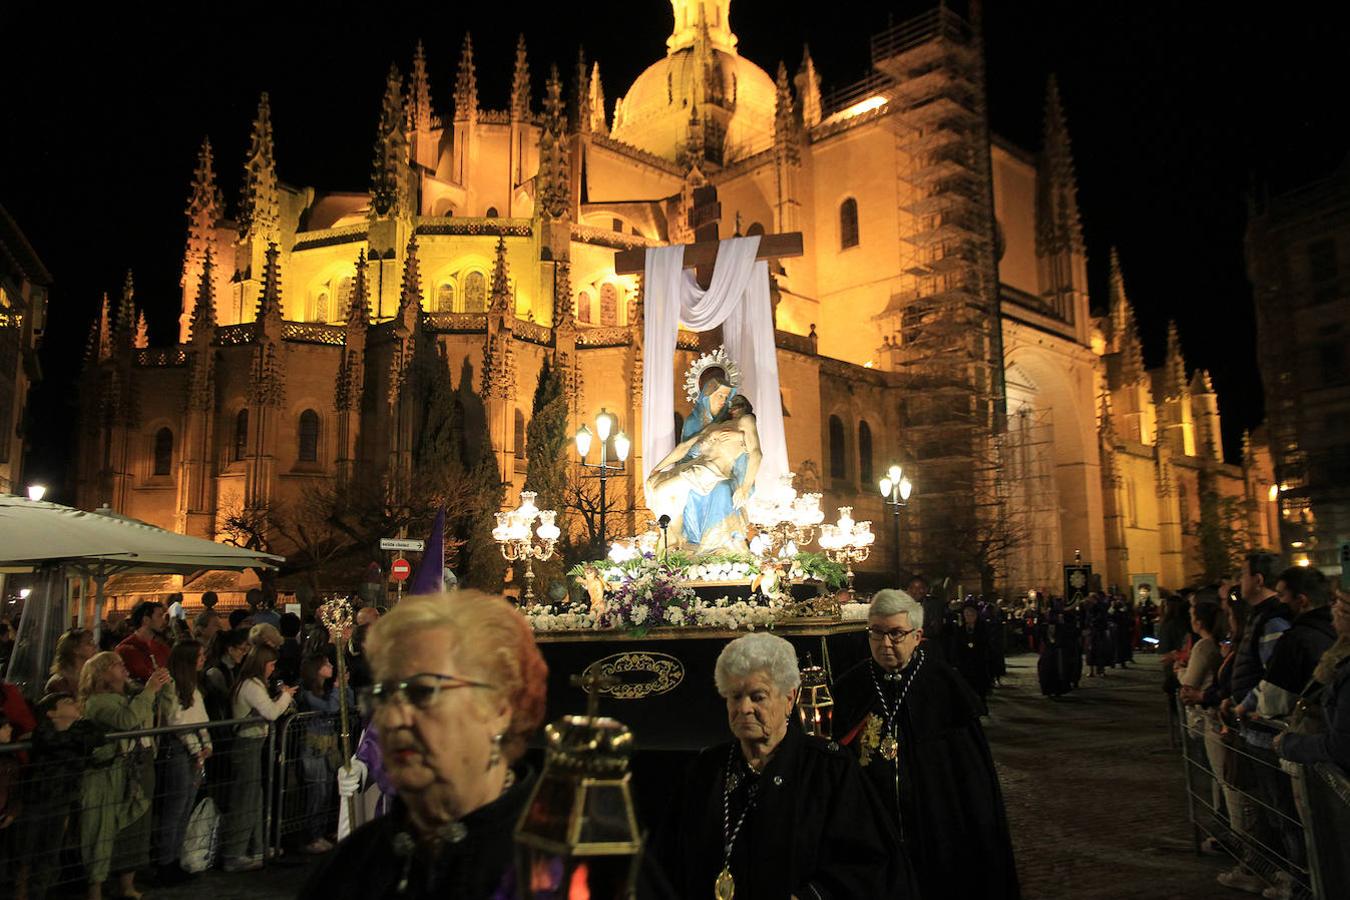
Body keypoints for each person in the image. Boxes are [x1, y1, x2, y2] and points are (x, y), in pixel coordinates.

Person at [300, 590, 549, 899]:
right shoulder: (350, 866)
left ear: (499, 708)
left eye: (424, 693)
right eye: (385, 694)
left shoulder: (556, 866)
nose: (397, 717)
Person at [657, 631, 912, 899]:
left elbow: (867, 865)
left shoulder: (831, 769)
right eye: (735, 696)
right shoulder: (706, 770)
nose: (744, 708)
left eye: (758, 697)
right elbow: (667, 863)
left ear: (790, 698)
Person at [834, 590, 1019, 900]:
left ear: (917, 636)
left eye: (896, 633)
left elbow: (970, 783)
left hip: (935, 834)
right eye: (876, 633)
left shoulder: (944, 687)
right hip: (870, 840)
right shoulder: (850, 687)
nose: (885, 643)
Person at [79, 651, 172, 900]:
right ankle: (95, 887)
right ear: (101, 674)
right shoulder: (98, 702)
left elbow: (166, 708)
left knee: (137, 825)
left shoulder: (134, 693)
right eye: (115, 665)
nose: (123, 667)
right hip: (112, 771)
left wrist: (165, 685)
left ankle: (126, 884)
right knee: (103, 827)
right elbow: (127, 719)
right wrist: (150, 690)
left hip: (141, 762)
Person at [646, 382, 762, 552]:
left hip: (711, 472)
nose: (732, 405)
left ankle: (675, 537)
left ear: (746, 407)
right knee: (657, 488)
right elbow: (684, 447)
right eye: (730, 402)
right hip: (696, 468)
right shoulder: (715, 426)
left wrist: (744, 487)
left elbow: (756, 453)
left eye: (737, 402)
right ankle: (675, 537)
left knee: (661, 491)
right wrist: (658, 467)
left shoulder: (746, 421)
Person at [221, 645, 296, 872]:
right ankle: (234, 853)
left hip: (254, 743)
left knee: (255, 797)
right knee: (246, 799)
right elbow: (271, 712)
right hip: (248, 745)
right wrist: (285, 697)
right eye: (271, 665)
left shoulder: (250, 684)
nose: (273, 670)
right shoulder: (251, 686)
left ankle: (256, 847)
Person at [155, 639, 212, 885]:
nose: (203, 660)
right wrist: (196, 748)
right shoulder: (174, 690)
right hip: (180, 751)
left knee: (185, 806)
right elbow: (177, 721)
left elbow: (201, 719)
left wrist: (206, 745)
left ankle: (174, 858)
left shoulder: (193, 689)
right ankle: (165, 861)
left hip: (195, 750)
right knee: (175, 808)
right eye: (199, 656)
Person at [1277, 586, 1350, 771]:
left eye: (1338, 603)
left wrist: (1290, 744)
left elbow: (1342, 746)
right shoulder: (1338, 656)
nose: (1332, 609)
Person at [296, 653, 348, 855]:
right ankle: (312, 835)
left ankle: (321, 831)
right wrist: (337, 688)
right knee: (317, 793)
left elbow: (346, 704)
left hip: (328, 747)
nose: (331, 666)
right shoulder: (308, 693)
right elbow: (332, 709)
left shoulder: (323, 690)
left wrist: (343, 687)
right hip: (314, 748)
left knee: (326, 791)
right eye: (326, 664)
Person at [115, 601, 171, 684]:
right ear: (146, 620)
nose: (164, 621)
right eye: (159, 616)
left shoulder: (162, 648)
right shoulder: (126, 649)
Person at [947, 603, 992, 703]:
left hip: (979, 662)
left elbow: (987, 644)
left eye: (972, 614)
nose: (969, 616)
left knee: (979, 686)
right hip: (964, 663)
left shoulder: (983, 628)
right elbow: (955, 647)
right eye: (967, 614)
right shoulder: (960, 630)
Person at [202, 628, 249, 721]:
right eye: (242, 649)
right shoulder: (215, 672)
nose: (244, 653)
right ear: (230, 649)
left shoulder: (235, 668)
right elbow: (225, 698)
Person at [46, 627, 97, 696]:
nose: (94, 646)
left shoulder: (93, 676)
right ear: (75, 649)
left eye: (93, 641)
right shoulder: (59, 682)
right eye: (89, 643)